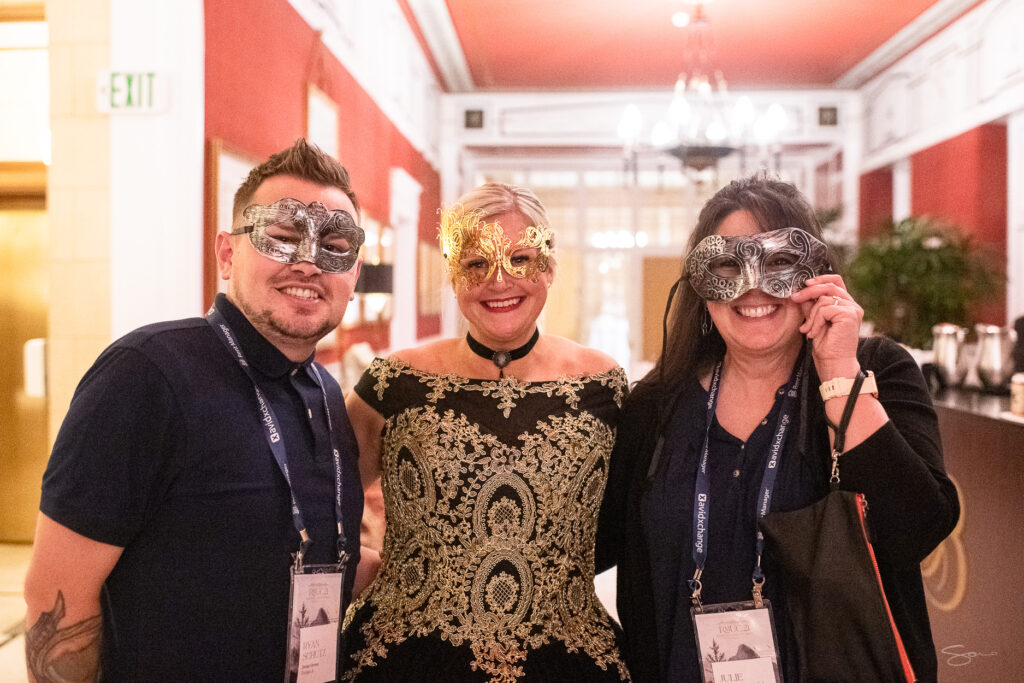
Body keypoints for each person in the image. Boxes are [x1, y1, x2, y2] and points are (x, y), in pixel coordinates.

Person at [23, 139, 365, 682]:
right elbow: (55, 596)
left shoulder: (326, 393)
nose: (306, 261)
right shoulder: (147, 375)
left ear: (354, 275)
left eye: (335, 246)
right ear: (227, 254)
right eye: (280, 238)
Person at [596, 174, 959, 682]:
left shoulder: (878, 370)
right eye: (727, 265)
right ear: (702, 287)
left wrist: (839, 375)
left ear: (816, 275)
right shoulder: (656, 405)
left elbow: (916, 529)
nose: (754, 287)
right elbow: (586, 549)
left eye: (781, 262)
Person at [340, 183, 632, 681]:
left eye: (520, 258)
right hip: (409, 660)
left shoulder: (600, 385)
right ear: (453, 276)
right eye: (477, 264)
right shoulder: (395, 383)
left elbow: (635, 524)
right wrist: (363, 568)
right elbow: (319, 503)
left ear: (550, 267)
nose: (499, 281)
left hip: (565, 662)